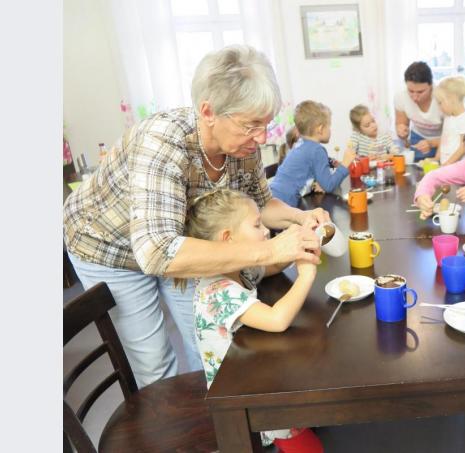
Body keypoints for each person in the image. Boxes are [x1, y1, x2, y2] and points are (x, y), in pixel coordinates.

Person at [63, 45, 327, 388]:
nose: (261, 137)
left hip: (177, 240)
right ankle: (179, 433)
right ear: (209, 111)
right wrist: (270, 251)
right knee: (155, 362)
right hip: (109, 247)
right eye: (251, 125)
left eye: (266, 124)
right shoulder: (163, 142)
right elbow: (157, 252)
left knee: (207, 341)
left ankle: (221, 419)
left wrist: (299, 218)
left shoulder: (241, 146)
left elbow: (263, 204)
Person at [185, 189, 323, 452]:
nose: (266, 232)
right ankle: (282, 431)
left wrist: (295, 250)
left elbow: (268, 266)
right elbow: (277, 319)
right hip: (240, 395)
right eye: (257, 224)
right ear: (228, 238)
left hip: (250, 364)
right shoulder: (217, 290)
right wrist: (306, 275)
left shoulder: (236, 266)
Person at [270, 100, 356, 207]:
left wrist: (332, 163)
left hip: (273, 198)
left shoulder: (300, 144)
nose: (330, 130)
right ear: (320, 129)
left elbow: (307, 167)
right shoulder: (317, 150)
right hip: (286, 205)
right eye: (329, 126)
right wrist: (345, 164)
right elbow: (329, 186)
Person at [394, 61, 444, 161]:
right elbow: (401, 125)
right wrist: (401, 131)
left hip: (444, 138)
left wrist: (432, 143)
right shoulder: (400, 97)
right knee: (417, 169)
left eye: (420, 92)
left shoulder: (443, 96)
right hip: (418, 137)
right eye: (411, 91)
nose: (415, 97)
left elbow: (454, 136)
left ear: (431, 86)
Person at [433, 75, 465, 165]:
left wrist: (448, 163)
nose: (439, 107)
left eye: (440, 102)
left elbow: (463, 146)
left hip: (458, 166)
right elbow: (443, 139)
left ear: (452, 99)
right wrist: (437, 158)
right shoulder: (448, 117)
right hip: (446, 164)